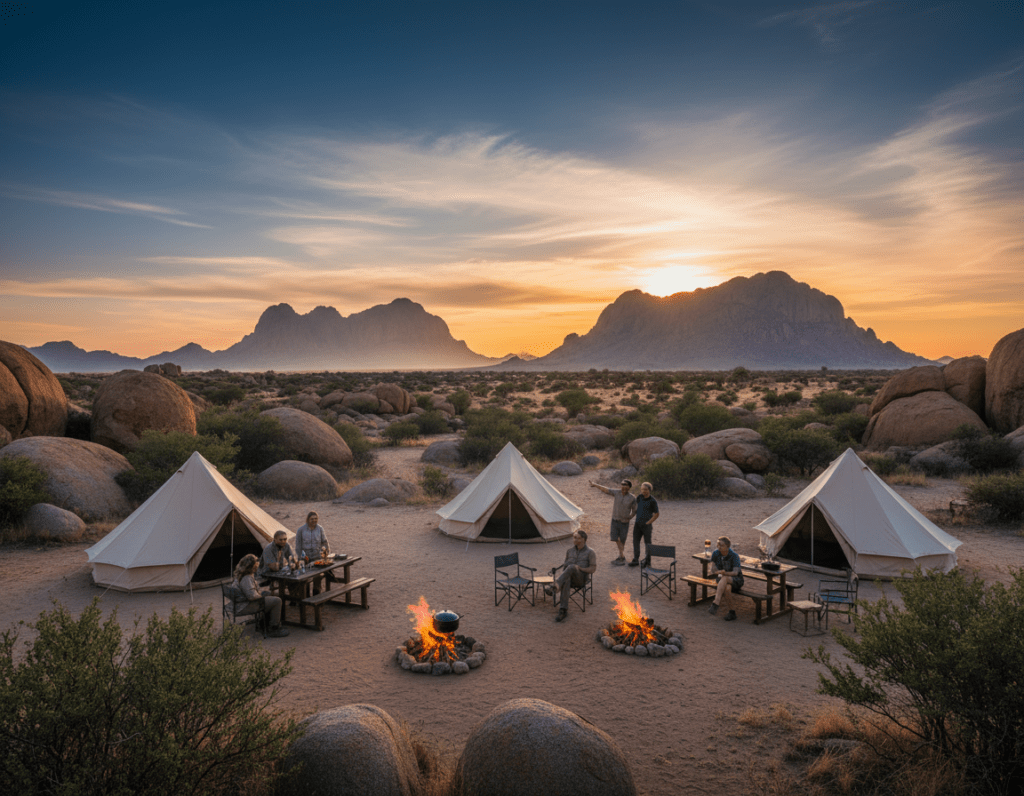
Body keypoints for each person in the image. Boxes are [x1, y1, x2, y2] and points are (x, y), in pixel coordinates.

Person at [231, 554, 289, 637]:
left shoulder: (241, 574)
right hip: (245, 605)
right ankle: (273, 628)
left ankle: (263, 623)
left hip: (240, 603)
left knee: (269, 595)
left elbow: (251, 591)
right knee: (277, 600)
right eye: (254, 567)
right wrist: (262, 597)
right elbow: (252, 596)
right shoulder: (246, 578)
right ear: (249, 567)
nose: (256, 569)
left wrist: (263, 594)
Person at [548, 530, 597, 622]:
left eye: (578, 538)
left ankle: (555, 586)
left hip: (581, 579)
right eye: (574, 537)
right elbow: (565, 568)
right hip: (569, 578)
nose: (575, 540)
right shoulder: (569, 551)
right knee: (567, 578)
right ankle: (563, 610)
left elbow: (593, 569)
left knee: (572, 567)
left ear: (584, 540)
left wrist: (580, 569)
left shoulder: (590, 552)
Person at [589, 478, 637, 565]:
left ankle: (621, 557)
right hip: (615, 520)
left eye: (625, 484)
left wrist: (630, 517)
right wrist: (595, 485)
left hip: (624, 522)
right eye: (622, 484)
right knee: (615, 538)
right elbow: (606, 489)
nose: (623, 486)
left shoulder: (632, 498)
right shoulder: (617, 493)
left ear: (629, 487)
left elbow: (635, 510)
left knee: (622, 540)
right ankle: (622, 556)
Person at [708, 536, 744, 621]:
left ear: (727, 546)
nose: (718, 547)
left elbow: (735, 573)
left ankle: (716, 602)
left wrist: (724, 573)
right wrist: (717, 571)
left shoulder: (734, 556)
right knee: (727, 588)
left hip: (736, 580)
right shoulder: (716, 553)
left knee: (725, 578)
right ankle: (732, 612)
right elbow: (712, 568)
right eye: (718, 544)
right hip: (722, 579)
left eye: (721, 545)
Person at [628, 482, 659, 568]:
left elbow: (657, 514)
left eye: (645, 489)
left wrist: (649, 522)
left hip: (647, 526)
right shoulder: (639, 497)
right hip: (637, 524)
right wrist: (630, 516)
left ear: (649, 490)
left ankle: (648, 561)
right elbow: (635, 509)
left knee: (647, 543)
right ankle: (635, 559)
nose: (643, 491)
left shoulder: (652, 501)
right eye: (642, 489)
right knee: (635, 541)